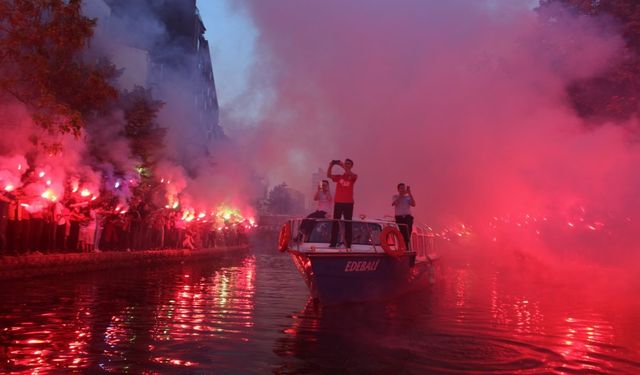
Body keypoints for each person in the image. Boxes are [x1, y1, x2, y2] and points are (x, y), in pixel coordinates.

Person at [327, 159, 357, 249]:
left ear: (351, 166)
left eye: (348, 164)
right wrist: (331, 165)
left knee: (348, 223)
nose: (346, 165)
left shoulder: (353, 176)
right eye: (346, 163)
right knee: (335, 222)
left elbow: (350, 174)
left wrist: (341, 164)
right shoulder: (339, 177)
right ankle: (333, 243)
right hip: (338, 202)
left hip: (348, 203)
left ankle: (348, 244)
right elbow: (328, 175)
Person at [392, 183, 416, 248]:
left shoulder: (408, 197)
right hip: (399, 217)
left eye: (404, 188)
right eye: (401, 188)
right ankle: (404, 246)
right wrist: (401, 195)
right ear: (398, 189)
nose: (403, 190)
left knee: (408, 230)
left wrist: (410, 193)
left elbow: (413, 204)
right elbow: (395, 203)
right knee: (402, 232)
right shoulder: (395, 197)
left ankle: (406, 243)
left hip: (407, 216)